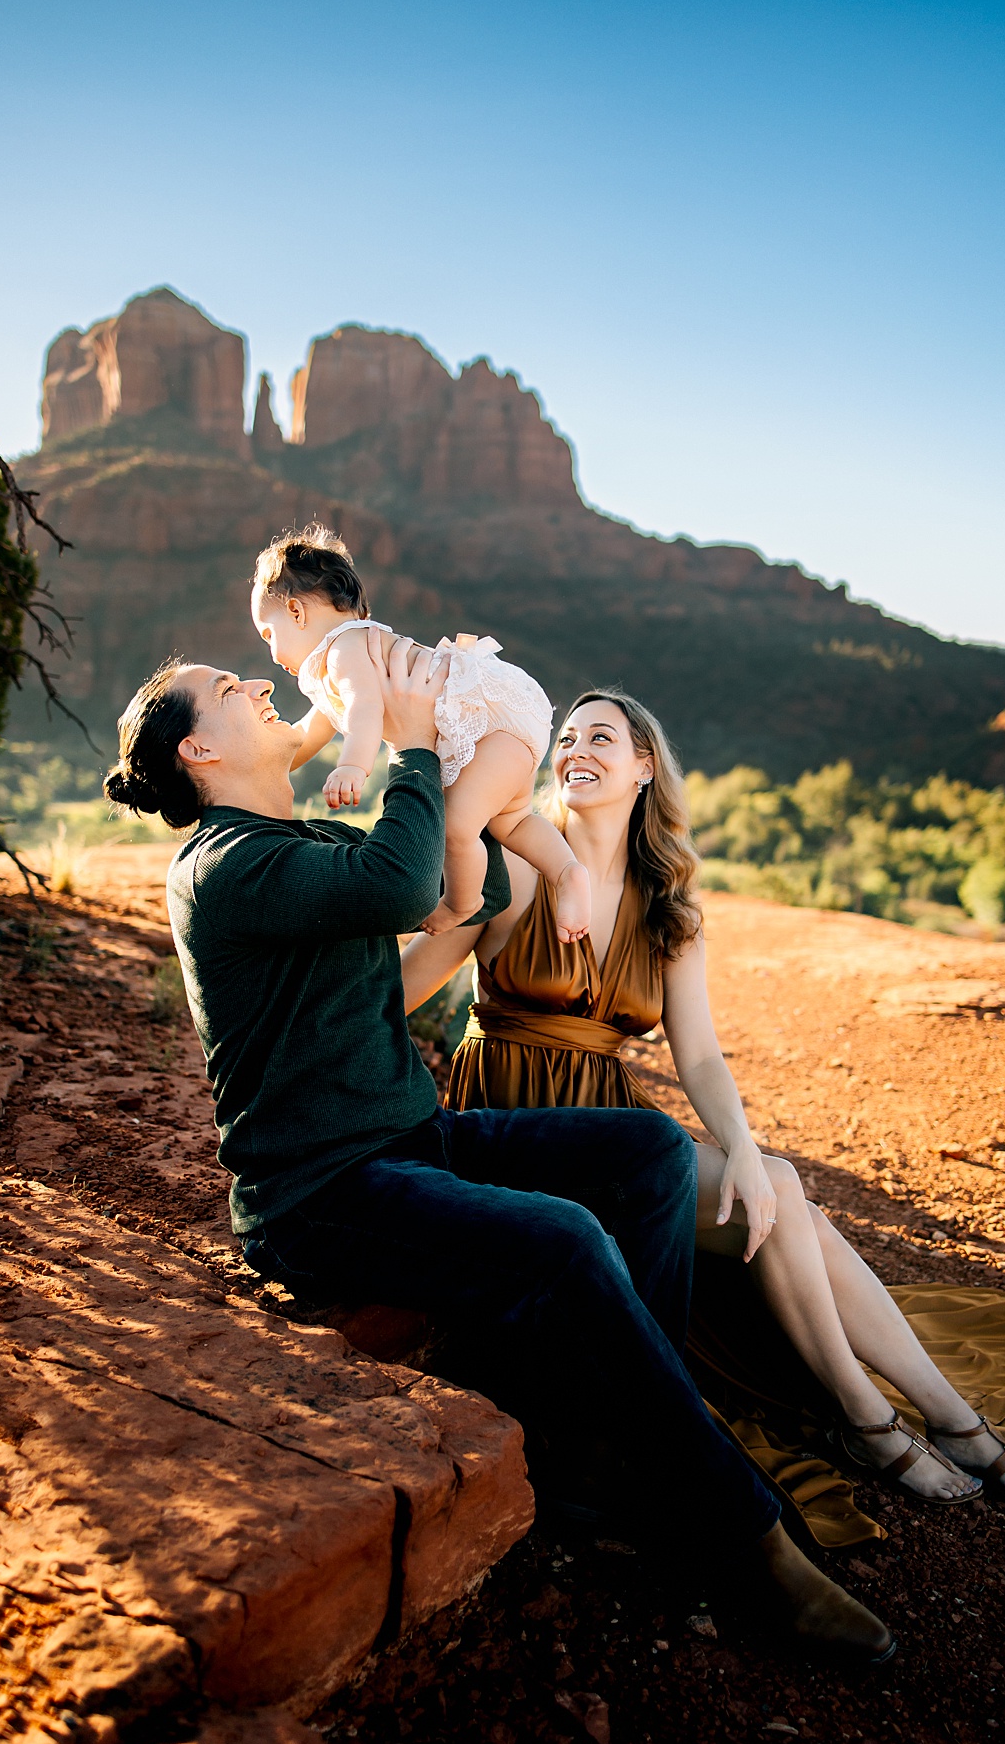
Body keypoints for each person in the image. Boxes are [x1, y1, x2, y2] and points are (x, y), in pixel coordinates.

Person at [103, 640, 893, 1661]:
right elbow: (398, 884)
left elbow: (435, 895)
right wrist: (420, 741)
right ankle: (741, 1533)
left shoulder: (290, 846)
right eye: (228, 687)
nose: (258, 683)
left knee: (650, 1152)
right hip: (321, 1192)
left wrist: (479, 796)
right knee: (562, 1239)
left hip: (407, 1137)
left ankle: (612, 1452)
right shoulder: (227, 867)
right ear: (200, 751)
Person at [402, 688, 1005, 1524]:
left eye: (601, 736)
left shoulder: (670, 910)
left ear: (644, 767)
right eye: (566, 736)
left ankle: (933, 1417)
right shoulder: (514, 866)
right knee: (785, 1195)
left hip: (619, 1128)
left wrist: (746, 1151)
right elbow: (402, 988)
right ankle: (889, 1420)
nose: (575, 747)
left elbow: (702, 1056)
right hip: (516, 1122)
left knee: (777, 1186)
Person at [250, 523, 591, 940]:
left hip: (488, 720)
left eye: (269, 634)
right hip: (498, 728)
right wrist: (264, 770)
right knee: (511, 821)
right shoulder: (339, 662)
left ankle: (464, 901)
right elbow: (307, 734)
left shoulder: (344, 649)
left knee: (456, 827)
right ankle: (568, 872)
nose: (271, 651)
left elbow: (365, 707)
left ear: (296, 613)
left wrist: (353, 766)